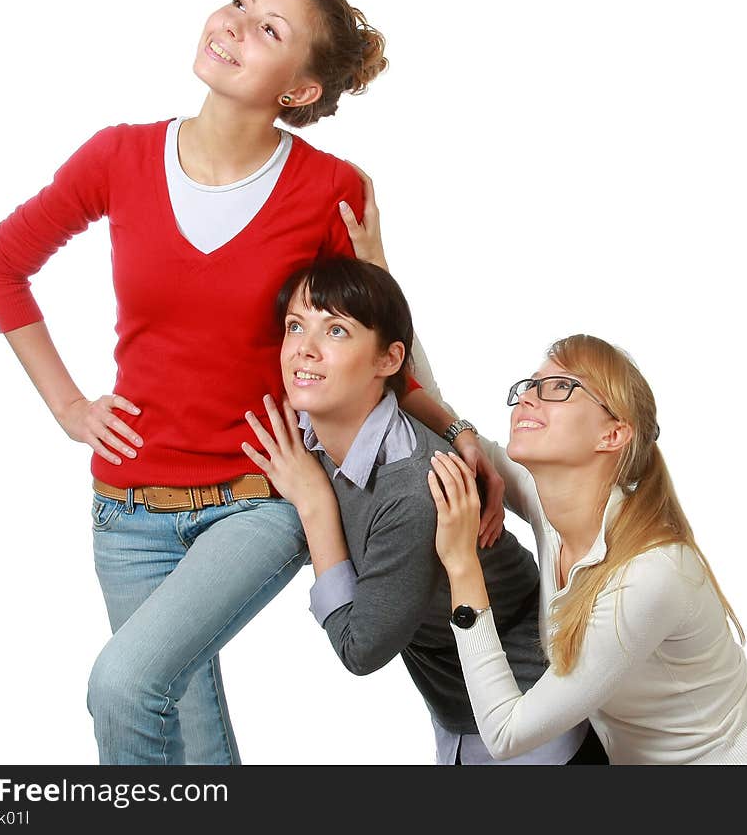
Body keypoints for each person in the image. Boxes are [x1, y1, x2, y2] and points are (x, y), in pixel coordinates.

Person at [0, 0, 502, 765]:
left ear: (298, 90)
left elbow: (378, 348)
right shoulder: (117, 156)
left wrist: (456, 427)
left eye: (269, 31)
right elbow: (1, 265)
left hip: (258, 498)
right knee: (182, 721)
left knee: (123, 685)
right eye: (240, 3)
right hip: (127, 510)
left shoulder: (331, 188)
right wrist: (70, 408)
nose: (234, 23)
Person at [241, 257, 605, 764]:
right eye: (295, 326)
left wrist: (315, 505)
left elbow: (360, 649)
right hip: (459, 719)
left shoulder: (413, 490)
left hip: (527, 726)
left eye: (337, 330)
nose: (304, 347)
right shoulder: (316, 430)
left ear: (388, 361)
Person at [424, 335, 747, 764]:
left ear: (613, 433)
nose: (527, 396)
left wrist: (462, 565)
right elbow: (428, 398)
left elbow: (506, 734)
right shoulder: (555, 511)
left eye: (559, 387)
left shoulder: (649, 574)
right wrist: (376, 277)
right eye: (530, 383)